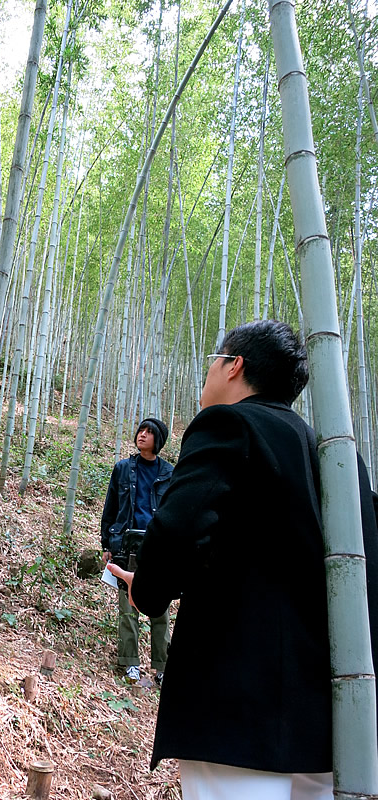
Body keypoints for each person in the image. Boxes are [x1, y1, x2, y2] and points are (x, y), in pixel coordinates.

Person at [107, 320, 378, 800]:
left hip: (238, 708)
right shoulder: (342, 458)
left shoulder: (231, 424)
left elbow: (180, 524)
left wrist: (147, 588)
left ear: (235, 366)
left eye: (214, 360)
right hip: (330, 724)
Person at [101, 417, 173, 685]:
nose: (142, 435)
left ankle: (162, 666)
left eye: (149, 432)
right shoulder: (122, 468)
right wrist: (107, 545)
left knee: (160, 608)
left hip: (158, 546)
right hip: (127, 544)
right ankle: (130, 663)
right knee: (128, 607)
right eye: (140, 430)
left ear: (159, 440)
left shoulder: (169, 473)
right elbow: (111, 507)